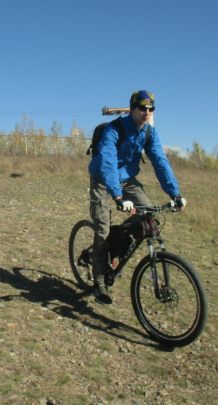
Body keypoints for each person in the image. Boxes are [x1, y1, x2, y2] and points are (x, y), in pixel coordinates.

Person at [88, 90, 186, 304]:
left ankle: (119, 240)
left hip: (128, 180)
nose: (147, 112)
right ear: (132, 108)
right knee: (102, 229)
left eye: (151, 109)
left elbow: (160, 161)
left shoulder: (150, 133)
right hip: (103, 179)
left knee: (149, 219)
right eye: (142, 108)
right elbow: (108, 161)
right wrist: (118, 197)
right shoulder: (115, 129)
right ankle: (99, 281)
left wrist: (175, 193)